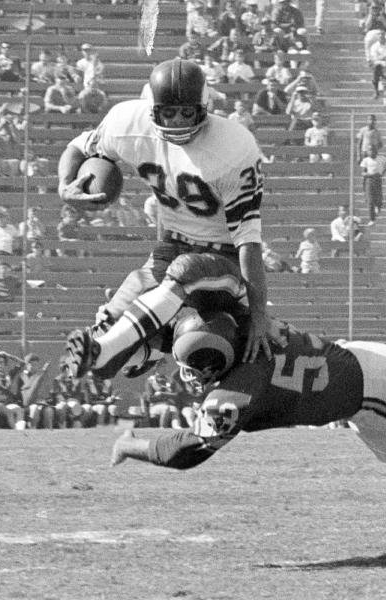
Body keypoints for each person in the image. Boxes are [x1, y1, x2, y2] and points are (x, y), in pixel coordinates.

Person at [110, 307, 386, 532]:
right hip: (358, 388)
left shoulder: (234, 391)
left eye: (196, 369)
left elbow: (188, 452)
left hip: (376, 385)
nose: (190, 377)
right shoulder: (242, 320)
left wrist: (131, 443)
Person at [57, 58, 273, 382]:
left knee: (186, 273)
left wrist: (259, 313)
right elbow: (79, 147)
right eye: (168, 112)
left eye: (186, 112)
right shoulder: (127, 122)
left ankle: (110, 352)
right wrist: (64, 185)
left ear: (203, 108)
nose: (177, 122)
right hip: (171, 245)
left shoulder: (234, 147)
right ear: (152, 110)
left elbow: (248, 240)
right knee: (111, 321)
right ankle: (144, 350)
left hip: (223, 258)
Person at [359, 147, 386, 222]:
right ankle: (372, 219)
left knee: (379, 199)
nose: (371, 152)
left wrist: (384, 170)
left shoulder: (381, 158)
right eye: (369, 151)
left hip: (378, 180)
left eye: (373, 150)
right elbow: (363, 173)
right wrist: (370, 174)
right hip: (369, 180)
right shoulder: (366, 160)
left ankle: (378, 208)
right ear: (368, 152)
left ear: (376, 151)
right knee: (370, 200)